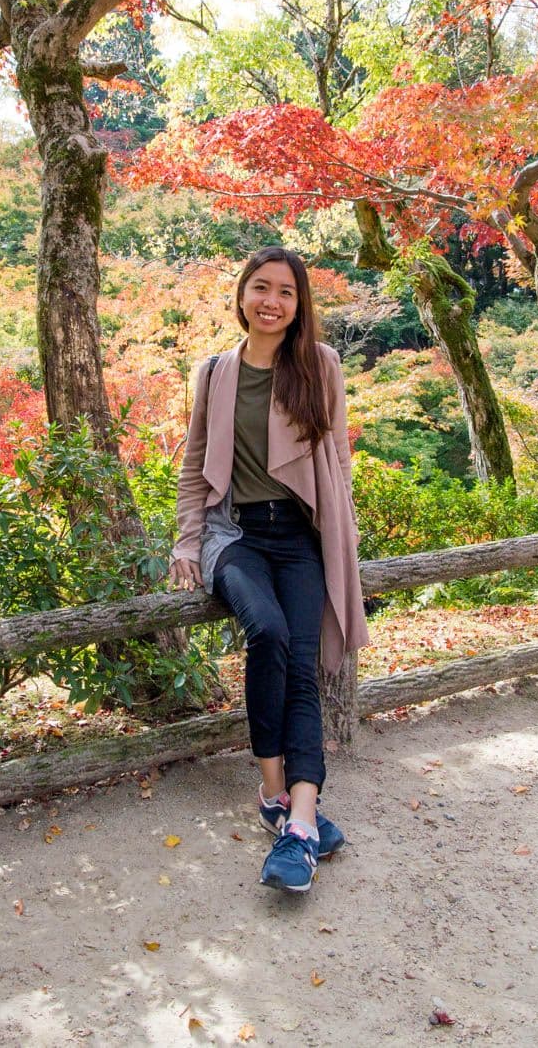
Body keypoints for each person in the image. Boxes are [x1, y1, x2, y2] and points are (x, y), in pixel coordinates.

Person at [171, 246, 370, 894]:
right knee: (268, 633)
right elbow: (195, 461)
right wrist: (186, 542)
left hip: (300, 537)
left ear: (298, 303)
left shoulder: (320, 366)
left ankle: (300, 821)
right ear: (242, 295)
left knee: (304, 667)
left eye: (286, 291)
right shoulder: (215, 372)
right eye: (261, 287)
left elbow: (337, 460)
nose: (272, 301)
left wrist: (344, 539)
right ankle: (273, 792)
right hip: (235, 537)